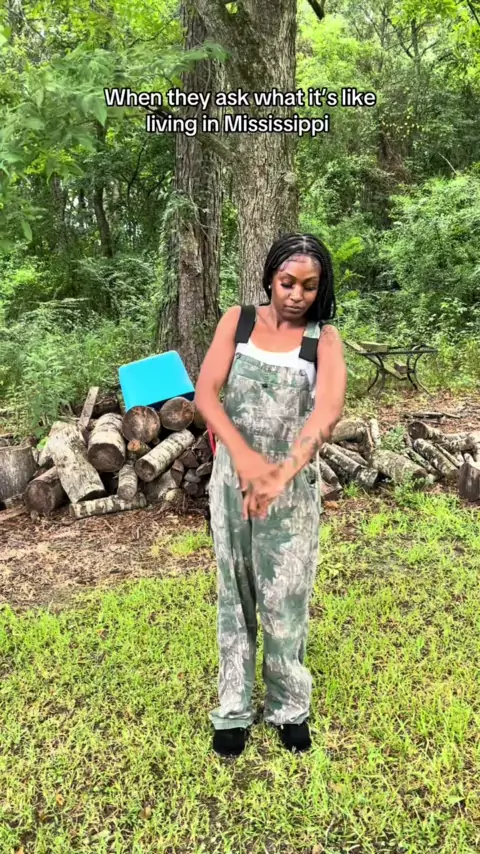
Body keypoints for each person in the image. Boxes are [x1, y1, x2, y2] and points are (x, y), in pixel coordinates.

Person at [194, 233, 347, 757]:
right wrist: (245, 460)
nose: (297, 295)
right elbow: (206, 394)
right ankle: (233, 708)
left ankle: (288, 705)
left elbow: (327, 411)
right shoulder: (237, 322)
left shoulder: (323, 340)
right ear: (269, 279)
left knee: (286, 594)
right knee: (235, 592)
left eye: (310, 285)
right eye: (287, 283)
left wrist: (279, 474)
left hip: (291, 485)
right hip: (232, 483)